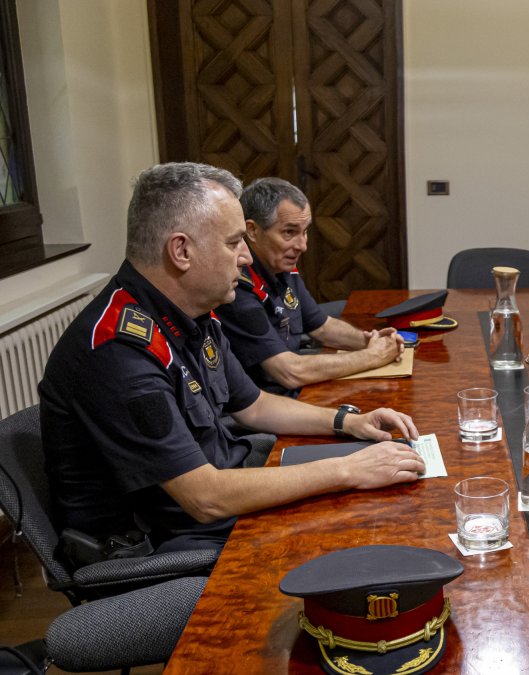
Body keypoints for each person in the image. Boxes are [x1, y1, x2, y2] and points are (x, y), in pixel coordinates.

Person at [39, 163, 426, 556]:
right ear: (181, 250)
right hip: (164, 543)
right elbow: (204, 497)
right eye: (233, 242)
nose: (245, 257)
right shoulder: (117, 349)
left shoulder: (190, 310)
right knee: (367, 533)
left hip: (223, 493)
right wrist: (349, 469)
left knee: (389, 502)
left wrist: (349, 422)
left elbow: (254, 406)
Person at [214, 177, 404, 397]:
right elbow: (288, 372)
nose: (302, 246)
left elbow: (322, 327)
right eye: (289, 232)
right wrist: (373, 356)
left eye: (305, 232)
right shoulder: (237, 285)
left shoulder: (282, 266)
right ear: (252, 231)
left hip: (298, 393)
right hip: (269, 409)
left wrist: (371, 340)